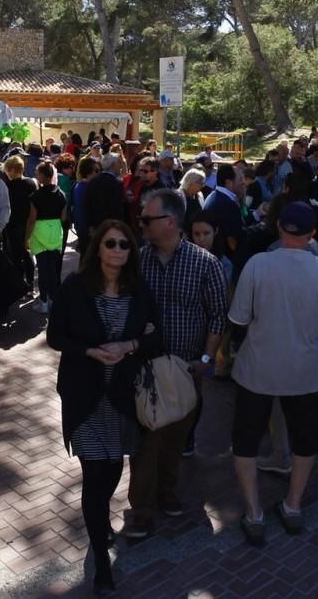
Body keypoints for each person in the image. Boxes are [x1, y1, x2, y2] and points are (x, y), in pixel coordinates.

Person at [46, 220, 160, 595]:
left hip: (123, 398)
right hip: (85, 396)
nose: (116, 250)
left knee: (112, 469)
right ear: (97, 248)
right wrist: (92, 351)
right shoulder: (75, 288)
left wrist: (129, 346)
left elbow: (155, 334)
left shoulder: (139, 290)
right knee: (95, 474)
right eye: (109, 243)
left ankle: (101, 522)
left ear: (131, 252)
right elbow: (55, 335)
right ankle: (100, 558)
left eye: (123, 245)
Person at [227, 201, 318, 545]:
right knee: (306, 439)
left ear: (279, 227)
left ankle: (254, 512)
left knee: (245, 440)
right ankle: (293, 506)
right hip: (304, 370)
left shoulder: (258, 265)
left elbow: (239, 318)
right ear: (311, 234)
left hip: (257, 368)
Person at [124, 190, 228, 538]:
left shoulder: (204, 263)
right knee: (145, 441)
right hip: (147, 369)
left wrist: (205, 359)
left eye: (146, 219)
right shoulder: (138, 260)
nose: (141, 225)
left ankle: (167, 491)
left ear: (169, 222)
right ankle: (141, 508)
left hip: (186, 370)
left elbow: (218, 316)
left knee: (176, 438)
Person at [27, 161, 67, 313]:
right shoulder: (61, 194)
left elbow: (31, 219)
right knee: (53, 269)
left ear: (43, 176)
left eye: (37, 174)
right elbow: (63, 217)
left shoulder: (35, 196)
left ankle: (43, 300)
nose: (36, 176)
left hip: (39, 232)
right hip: (56, 233)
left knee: (43, 269)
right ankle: (52, 299)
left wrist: (27, 237)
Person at [1, 154, 38, 293]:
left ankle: (19, 285)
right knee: (28, 254)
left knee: (16, 257)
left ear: (11, 170)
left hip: (13, 225)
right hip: (29, 223)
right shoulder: (32, 183)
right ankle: (30, 284)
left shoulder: (7, 187)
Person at [85, 152, 126, 241]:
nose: (121, 166)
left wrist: (90, 225)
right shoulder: (116, 184)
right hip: (112, 226)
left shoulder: (93, 181)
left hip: (95, 225)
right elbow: (118, 207)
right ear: (113, 164)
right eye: (119, 163)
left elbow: (87, 205)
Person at [73, 156, 99, 255]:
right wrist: (90, 228)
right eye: (96, 170)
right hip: (86, 229)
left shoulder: (78, 186)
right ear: (89, 172)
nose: (98, 173)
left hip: (81, 227)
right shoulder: (86, 188)